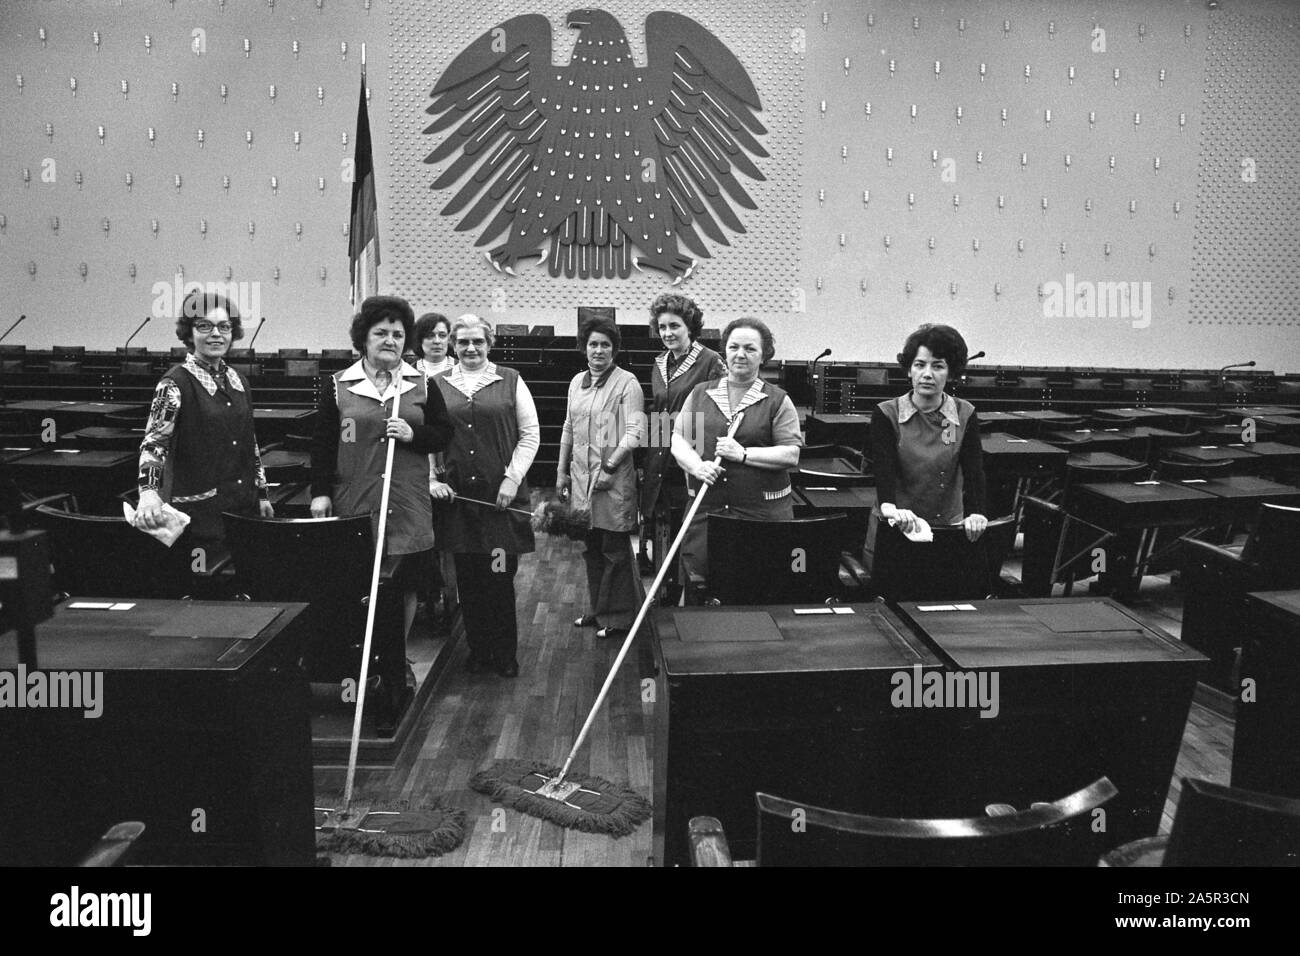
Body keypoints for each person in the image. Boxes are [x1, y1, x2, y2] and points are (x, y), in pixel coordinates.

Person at [309, 296, 454, 719]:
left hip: (406, 501)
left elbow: (443, 435)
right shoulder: (339, 385)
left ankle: (394, 666)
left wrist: (413, 433)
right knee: (360, 585)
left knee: (403, 583)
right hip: (356, 500)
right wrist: (319, 492)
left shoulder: (421, 384)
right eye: (381, 333)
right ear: (364, 339)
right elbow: (321, 445)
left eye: (397, 334)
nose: (390, 340)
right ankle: (367, 664)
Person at [429, 314, 539, 677]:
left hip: (499, 502)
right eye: (462, 342)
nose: (470, 348)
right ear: (452, 345)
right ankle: (478, 651)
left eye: (477, 341)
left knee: (498, 576)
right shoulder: (437, 384)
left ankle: (504, 653)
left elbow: (530, 434)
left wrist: (511, 479)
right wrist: (433, 478)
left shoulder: (510, 380)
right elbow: (429, 439)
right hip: (458, 502)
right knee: (469, 580)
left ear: (489, 344)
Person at [135, 289, 275, 565]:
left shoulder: (238, 381)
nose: (216, 334)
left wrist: (262, 493)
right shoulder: (173, 383)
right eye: (204, 326)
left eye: (224, 327)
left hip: (243, 508)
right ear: (189, 333)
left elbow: (250, 443)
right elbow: (154, 443)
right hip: (199, 515)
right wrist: (148, 493)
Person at [671, 317, 802, 583]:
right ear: (724, 351)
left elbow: (791, 454)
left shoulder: (778, 400)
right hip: (707, 514)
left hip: (762, 518)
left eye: (750, 349)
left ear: (764, 355)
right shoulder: (700, 393)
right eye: (734, 347)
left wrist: (743, 454)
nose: (740, 354)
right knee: (702, 588)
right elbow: (678, 439)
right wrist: (697, 466)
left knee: (758, 589)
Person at [557, 315, 646, 641]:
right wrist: (561, 472)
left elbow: (636, 432)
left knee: (614, 551)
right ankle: (598, 610)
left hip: (612, 481)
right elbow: (568, 428)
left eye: (605, 345)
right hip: (581, 482)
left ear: (614, 349)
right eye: (593, 344)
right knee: (591, 549)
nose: (598, 350)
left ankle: (619, 617)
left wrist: (610, 468)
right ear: (584, 347)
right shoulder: (576, 382)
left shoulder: (627, 383)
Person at [639, 293, 724, 603]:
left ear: (690, 326)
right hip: (660, 460)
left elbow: (722, 411)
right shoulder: (659, 362)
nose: (667, 333)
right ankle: (666, 597)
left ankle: (685, 604)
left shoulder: (711, 361)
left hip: (692, 458)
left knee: (688, 537)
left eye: (674, 326)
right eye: (662, 327)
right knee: (665, 532)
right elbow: (659, 413)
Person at [871, 323, 988, 541]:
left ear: (951, 373)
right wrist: (890, 509)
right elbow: (883, 471)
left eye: (938, 366)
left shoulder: (964, 414)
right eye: (920, 365)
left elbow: (974, 472)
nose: (927, 374)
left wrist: (976, 514)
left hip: (947, 528)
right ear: (909, 369)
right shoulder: (886, 413)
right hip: (898, 525)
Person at [414, 311, 456, 378]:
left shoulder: (462, 369)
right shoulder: (409, 373)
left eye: (442, 335)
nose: (437, 341)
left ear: (448, 339)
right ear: (420, 339)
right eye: (430, 336)